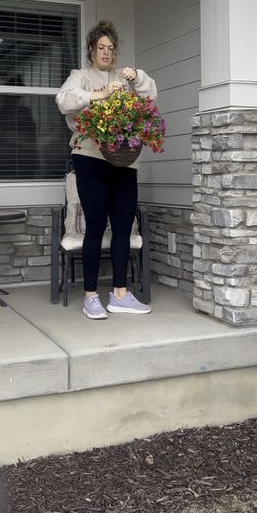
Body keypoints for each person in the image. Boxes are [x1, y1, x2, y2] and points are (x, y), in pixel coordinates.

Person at [56, 20, 157, 320]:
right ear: (91, 50)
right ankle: (90, 297)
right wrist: (98, 96)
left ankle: (120, 295)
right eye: (101, 47)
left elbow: (150, 96)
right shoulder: (81, 76)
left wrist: (136, 77)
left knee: (123, 228)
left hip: (123, 161)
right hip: (90, 160)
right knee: (96, 227)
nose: (106, 52)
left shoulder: (123, 77)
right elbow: (63, 101)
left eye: (111, 49)